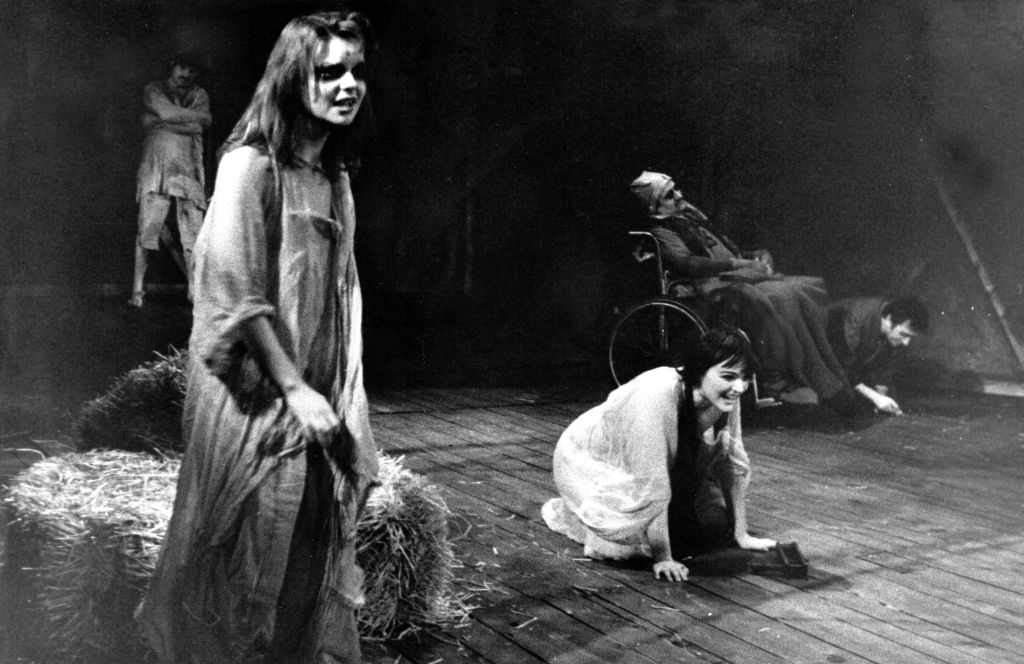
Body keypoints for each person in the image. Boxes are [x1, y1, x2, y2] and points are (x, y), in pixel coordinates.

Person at [138, 12, 378, 664]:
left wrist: (335, 394)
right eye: (330, 71)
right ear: (295, 76)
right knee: (241, 540)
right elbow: (235, 293)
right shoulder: (250, 167)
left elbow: (337, 298)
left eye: (357, 70)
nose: (349, 85)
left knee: (311, 534)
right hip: (254, 391)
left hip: (313, 386)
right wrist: (292, 389)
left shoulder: (334, 180)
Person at [542, 327, 776, 582]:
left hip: (656, 458)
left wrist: (741, 534)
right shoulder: (657, 393)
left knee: (713, 524)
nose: (739, 387)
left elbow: (731, 461)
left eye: (745, 377)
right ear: (700, 370)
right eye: (729, 376)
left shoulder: (726, 393)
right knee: (633, 540)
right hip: (588, 456)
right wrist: (663, 557)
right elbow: (652, 480)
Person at [629, 170, 848, 406]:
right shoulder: (662, 231)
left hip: (734, 275)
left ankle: (827, 369)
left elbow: (725, 250)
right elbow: (689, 264)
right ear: (655, 206)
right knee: (781, 297)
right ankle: (779, 378)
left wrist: (754, 256)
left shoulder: (690, 218)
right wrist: (738, 264)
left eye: (676, 188)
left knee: (804, 288)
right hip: (711, 285)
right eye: (670, 195)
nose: (679, 195)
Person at [130, 51, 212, 308]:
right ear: (172, 67)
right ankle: (137, 291)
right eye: (182, 68)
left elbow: (205, 122)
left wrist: (158, 122)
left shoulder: (199, 94)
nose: (186, 74)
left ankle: (195, 291)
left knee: (193, 233)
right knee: (147, 229)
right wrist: (188, 122)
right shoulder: (154, 89)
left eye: (191, 70)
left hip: (187, 170)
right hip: (156, 168)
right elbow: (168, 113)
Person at [827, 295, 929, 416]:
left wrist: (880, 390)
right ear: (889, 319)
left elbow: (881, 364)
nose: (906, 342)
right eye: (904, 334)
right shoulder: (853, 321)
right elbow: (841, 369)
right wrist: (876, 397)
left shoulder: (887, 321)